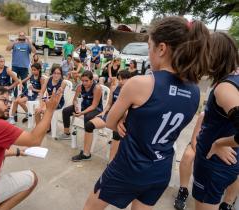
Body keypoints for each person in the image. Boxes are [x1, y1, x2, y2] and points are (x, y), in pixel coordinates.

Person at [83, 16, 210, 210]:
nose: (149, 53)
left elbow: (109, 121)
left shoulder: (140, 83)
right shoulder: (194, 91)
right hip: (161, 170)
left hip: (129, 167)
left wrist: (120, 120)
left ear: (161, 48)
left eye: (150, 46)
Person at [192, 32, 239, 210]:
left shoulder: (225, 87)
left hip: (214, 165)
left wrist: (220, 143)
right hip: (223, 163)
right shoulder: (232, 80)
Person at [174, 111, 239, 210]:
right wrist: (205, 153)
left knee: (235, 165)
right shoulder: (206, 114)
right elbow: (195, 139)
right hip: (203, 145)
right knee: (188, 155)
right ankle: (183, 190)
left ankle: (227, 203)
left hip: (227, 149)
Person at [71, 70, 131, 162]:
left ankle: (112, 162)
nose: (121, 81)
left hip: (124, 118)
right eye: (119, 79)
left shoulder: (131, 91)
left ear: (129, 80)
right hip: (110, 114)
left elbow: (127, 110)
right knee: (89, 125)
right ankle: (86, 154)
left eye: (124, 79)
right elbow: (109, 104)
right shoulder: (115, 88)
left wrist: (121, 120)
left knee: (117, 133)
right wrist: (104, 112)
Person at [58, 71, 103, 140]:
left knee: (87, 116)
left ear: (92, 80)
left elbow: (94, 105)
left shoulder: (97, 88)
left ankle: (87, 138)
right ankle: (66, 133)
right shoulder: (80, 87)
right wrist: (76, 106)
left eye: (86, 81)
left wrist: (82, 113)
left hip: (96, 109)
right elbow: (74, 100)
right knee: (66, 111)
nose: (84, 83)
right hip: (83, 106)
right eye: (82, 81)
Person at [6, 31, 36, 97]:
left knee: (24, 82)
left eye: (23, 36)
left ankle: (24, 95)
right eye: (20, 35)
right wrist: (14, 42)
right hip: (15, 66)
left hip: (24, 66)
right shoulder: (15, 43)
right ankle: (15, 95)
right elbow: (7, 49)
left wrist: (29, 43)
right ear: (18, 36)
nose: (21, 37)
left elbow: (34, 51)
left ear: (25, 37)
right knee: (14, 82)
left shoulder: (27, 44)